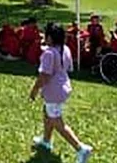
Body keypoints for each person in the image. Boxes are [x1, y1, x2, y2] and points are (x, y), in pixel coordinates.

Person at [28, 25, 93, 162]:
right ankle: (46, 141)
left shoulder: (49, 54)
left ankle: (81, 148)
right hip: (63, 87)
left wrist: (34, 90)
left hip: (54, 92)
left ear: (50, 38)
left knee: (57, 122)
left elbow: (44, 76)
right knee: (47, 112)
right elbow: (66, 67)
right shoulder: (65, 49)